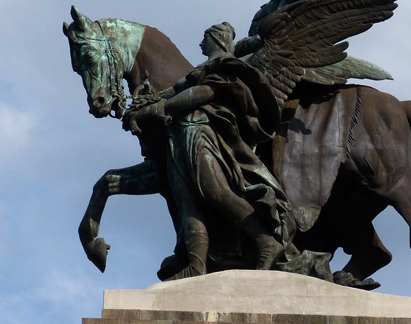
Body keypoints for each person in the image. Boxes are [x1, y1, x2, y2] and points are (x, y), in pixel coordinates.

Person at [125, 22, 295, 279]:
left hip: (200, 131)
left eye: (204, 37)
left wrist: (158, 109)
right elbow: (171, 94)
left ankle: (266, 241)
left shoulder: (226, 66)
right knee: (187, 202)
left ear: (216, 39)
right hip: (179, 135)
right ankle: (196, 264)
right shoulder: (202, 68)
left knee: (214, 192)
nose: (200, 43)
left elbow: (205, 92)